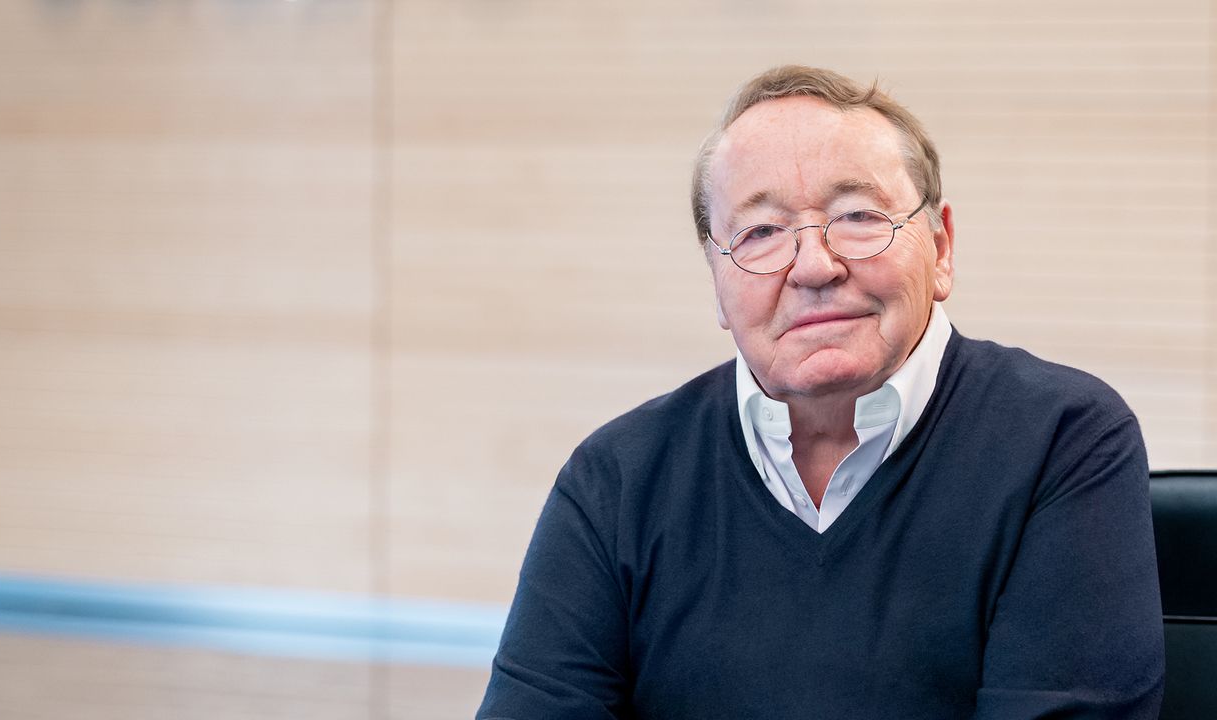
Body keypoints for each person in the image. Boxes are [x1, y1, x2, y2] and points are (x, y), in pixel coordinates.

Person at [476, 65, 1164, 719]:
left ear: (941, 247)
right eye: (762, 232)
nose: (813, 265)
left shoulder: (1063, 441)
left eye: (859, 216)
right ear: (717, 278)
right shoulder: (618, 479)